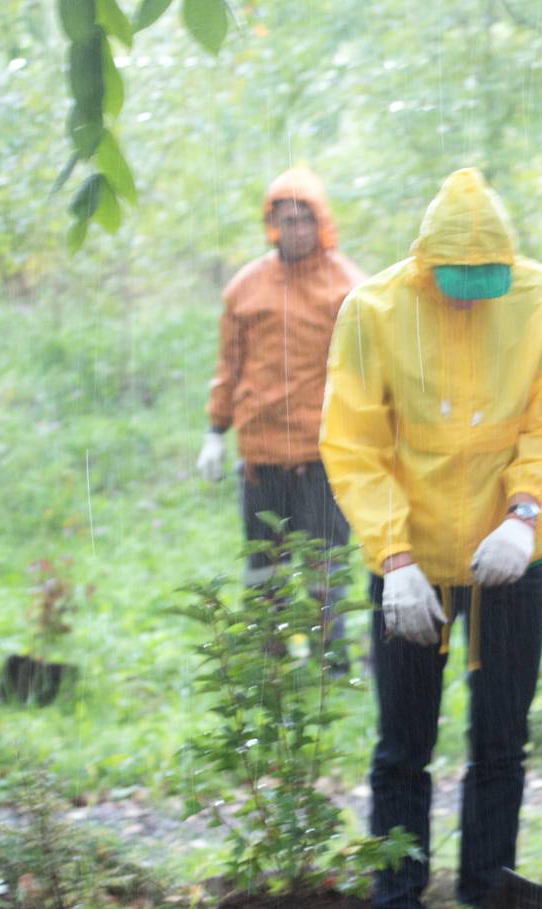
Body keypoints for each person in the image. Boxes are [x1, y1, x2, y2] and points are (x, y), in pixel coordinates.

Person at [320, 169, 542, 909]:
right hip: (414, 564)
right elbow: (355, 445)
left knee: (501, 740)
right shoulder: (374, 310)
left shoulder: (538, 298)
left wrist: (523, 512)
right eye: (456, 286)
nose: (469, 301)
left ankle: (485, 906)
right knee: (403, 744)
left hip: (510, 557)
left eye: (483, 286)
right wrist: (394, 557)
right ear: (427, 263)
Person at [197, 167, 364, 659]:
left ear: (321, 223)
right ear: (272, 224)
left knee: (325, 568)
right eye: (285, 220)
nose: (294, 230)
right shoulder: (246, 288)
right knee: (263, 569)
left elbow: (369, 374)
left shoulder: (350, 288)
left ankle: (330, 666)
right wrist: (214, 431)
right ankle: (265, 666)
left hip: (323, 455)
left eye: (303, 220)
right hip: (261, 455)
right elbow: (229, 365)